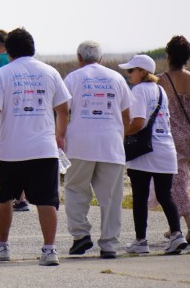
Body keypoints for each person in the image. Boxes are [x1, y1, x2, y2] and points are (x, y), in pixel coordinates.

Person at [0, 28, 70, 266]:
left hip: (12, 150)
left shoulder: (3, 74)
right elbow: (63, 107)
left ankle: (2, 246)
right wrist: (60, 135)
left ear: (9, 50)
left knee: (4, 197)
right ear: (32, 48)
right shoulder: (50, 72)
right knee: (46, 200)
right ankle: (49, 250)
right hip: (44, 148)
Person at [63, 41, 132, 259]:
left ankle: (81, 234)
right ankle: (109, 244)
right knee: (111, 197)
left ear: (79, 58)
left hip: (79, 143)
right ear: (101, 58)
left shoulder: (73, 78)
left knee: (75, 190)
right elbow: (127, 116)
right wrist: (120, 136)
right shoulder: (117, 78)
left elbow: (63, 111)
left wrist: (60, 136)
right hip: (111, 144)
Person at [120, 54, 189, 254]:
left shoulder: (139, 90)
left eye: (131, 71)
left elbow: (139, 122)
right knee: (165, 195)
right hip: (166, 148)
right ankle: (177, 235)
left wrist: (122, 133)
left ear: (143, 72)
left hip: (145, 152)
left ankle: (141, 241)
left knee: (140, 197)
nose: (128, 74)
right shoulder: (160, 90)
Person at [157, 36, 190, 244]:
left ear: (169, 55)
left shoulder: (161, 80)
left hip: (169, 136)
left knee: (175, 183)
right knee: (185, 180)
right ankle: (175, 225)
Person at [0, 30, 28, 212]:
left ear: (2, 44)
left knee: (2, 158)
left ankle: (9, 195)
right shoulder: (20, 63)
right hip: (24, 115)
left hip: (2, 115)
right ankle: (22, 197)